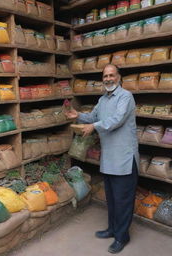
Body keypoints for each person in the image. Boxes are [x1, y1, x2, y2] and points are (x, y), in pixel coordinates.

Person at [65, 64, 139, 254]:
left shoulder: (125, 97)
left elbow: (117, 119)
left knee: (123, 200)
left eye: (111, 75)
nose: (108, 79)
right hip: (109, 158)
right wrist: (78, 115)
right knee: (113, 199)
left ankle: (122, 236)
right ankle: (113, 229)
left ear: (119, 77)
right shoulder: (102, 100)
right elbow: (92, 116)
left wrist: (94, 126)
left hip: (124, 158)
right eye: (105, 76)